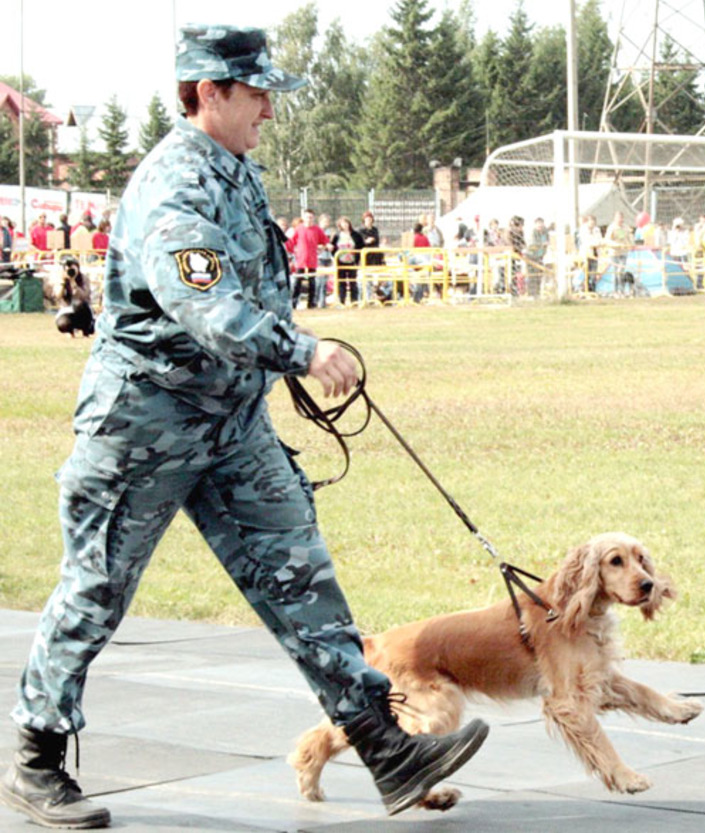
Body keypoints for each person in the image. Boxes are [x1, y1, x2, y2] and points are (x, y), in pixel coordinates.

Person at [0, 25, 488, 830]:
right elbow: (206, 304)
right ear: (209, 93)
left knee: (302, 578)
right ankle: (34, 756)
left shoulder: (237, 173)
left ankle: (383, 743)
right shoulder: (175, 184)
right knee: (94, 591)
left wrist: (276, 364)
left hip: (231, 423)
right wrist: (300, 350)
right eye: (255, 90)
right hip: (144, 425)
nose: (269, 105)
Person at [285, 208, 329, 309]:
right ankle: (294, 303)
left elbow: (324, 241)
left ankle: (312, 303)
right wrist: (288, 251)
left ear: (313, 218)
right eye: (307, 217)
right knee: (298, 282)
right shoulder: (299, 229)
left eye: (311, 217)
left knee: (312, 282)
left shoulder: (317, 229)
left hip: (312, 260)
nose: (309, 219)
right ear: (303, 218)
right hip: (301, 260)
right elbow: (291, 242)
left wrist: (325, 246)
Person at [54, 258, 95, 337]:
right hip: (67, 310)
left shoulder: (83, 278)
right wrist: (62, 282)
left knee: (79, 304)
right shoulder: (60, 278)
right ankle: (70, 331)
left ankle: (86, 330)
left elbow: (84, 296)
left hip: (83, 310)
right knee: (62, 323)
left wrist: (74, 283)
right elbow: (57, 296)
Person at [330, 216, 364, 305]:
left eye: (347, 223)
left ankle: (354, 301)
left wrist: (358, 259)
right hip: (341, 262)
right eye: (343, 223)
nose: (345, 225)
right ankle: (342, 301)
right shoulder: (337, 235)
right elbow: (332, 247)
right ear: (340, 225)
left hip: (352, 261)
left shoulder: (356, 235)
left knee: (353, 281)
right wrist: (335, 257)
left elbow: (361, 246)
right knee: (341, 282)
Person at [604, 211, 633, 294]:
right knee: (615, 272)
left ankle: (621, 290)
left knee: (621, 271)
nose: (620, 220)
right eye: (619, 218)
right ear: (615, 218)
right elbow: (607, 240)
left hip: (623, 252)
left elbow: (628, 238)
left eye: (621, 218)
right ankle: (615, 290)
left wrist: (630, 244)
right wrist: (617, 245)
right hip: (614, 253)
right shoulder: (612, 228)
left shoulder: (625, 227)